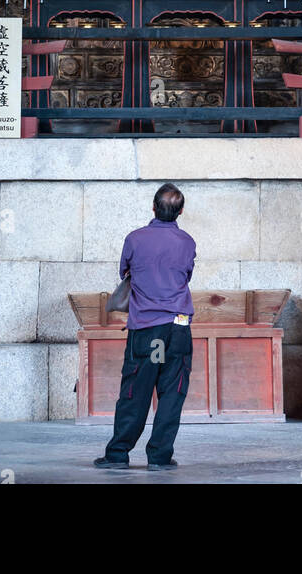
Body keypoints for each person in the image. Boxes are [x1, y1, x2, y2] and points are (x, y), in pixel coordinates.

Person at [94, 183, 196, 471]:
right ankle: (160, 457)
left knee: (136, 392)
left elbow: (124, 271)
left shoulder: (135, 239)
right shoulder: (187, 242)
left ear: (153, 207)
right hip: (177, 328)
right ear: (181, 212)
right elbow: (186, 275)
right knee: (171, 394)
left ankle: (118, 454)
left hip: (148, 331)